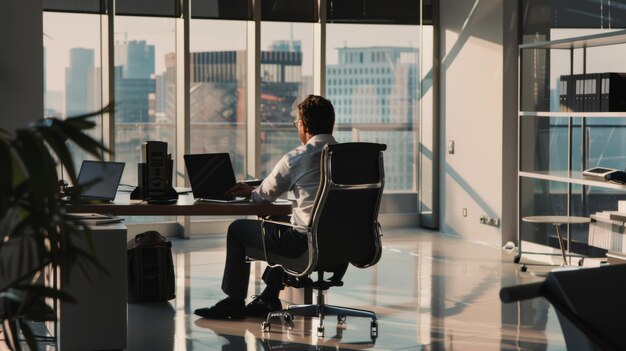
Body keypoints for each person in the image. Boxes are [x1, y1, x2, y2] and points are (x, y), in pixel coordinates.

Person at [194, 94, 337, 320]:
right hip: (343, 245)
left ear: (304, 125)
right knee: (280, 223)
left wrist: (251, 191)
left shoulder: (298, 157)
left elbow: (263, 197)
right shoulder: (351, 158)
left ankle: (234, 301)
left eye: (296, 124)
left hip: (304, 245)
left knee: (237, 230)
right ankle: (270, 296)